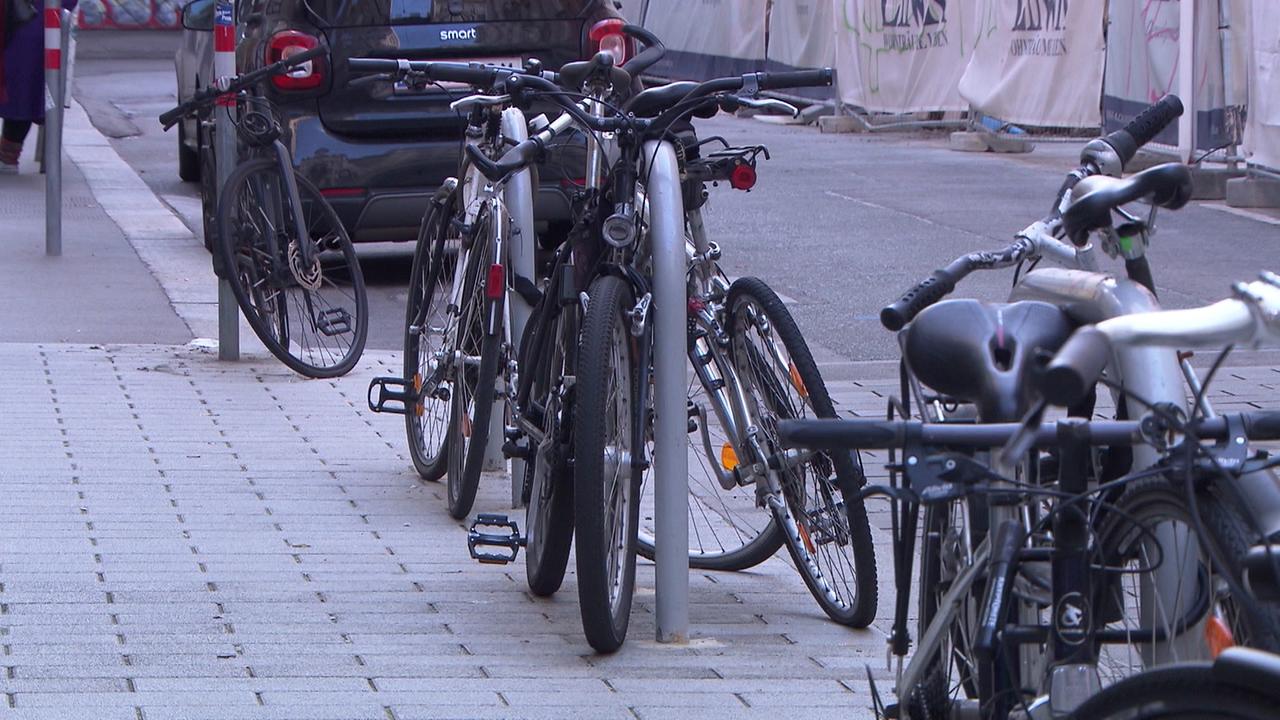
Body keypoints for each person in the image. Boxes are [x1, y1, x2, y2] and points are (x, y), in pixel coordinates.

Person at [1, 0, 76, 174]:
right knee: (24, 84)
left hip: (32, 17)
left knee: (23, 82)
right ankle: (8, 154)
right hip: (34, 18)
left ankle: (9, 153)